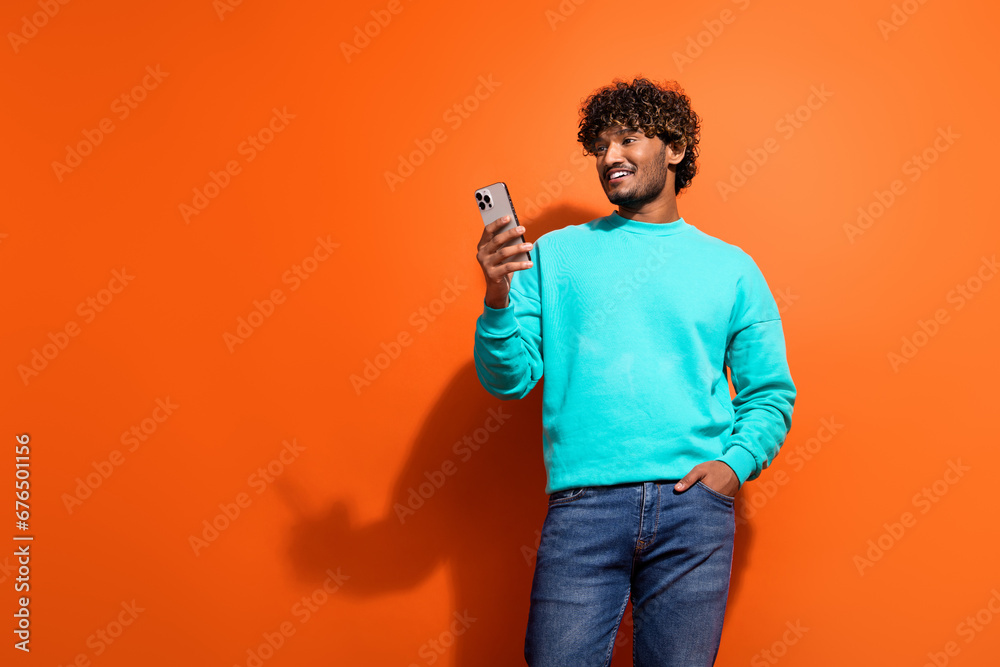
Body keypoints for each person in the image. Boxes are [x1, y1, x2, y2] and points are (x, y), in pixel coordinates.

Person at [472, 77, 796, 667]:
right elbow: (508, 378)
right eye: (600, 146)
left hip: (693, 510)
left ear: (674, 149)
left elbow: (769, 395)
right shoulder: (555, 254)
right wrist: (497, 294)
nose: (610, 157)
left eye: (627, 139)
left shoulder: (731, 268)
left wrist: (733, 467)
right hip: (584, 507)